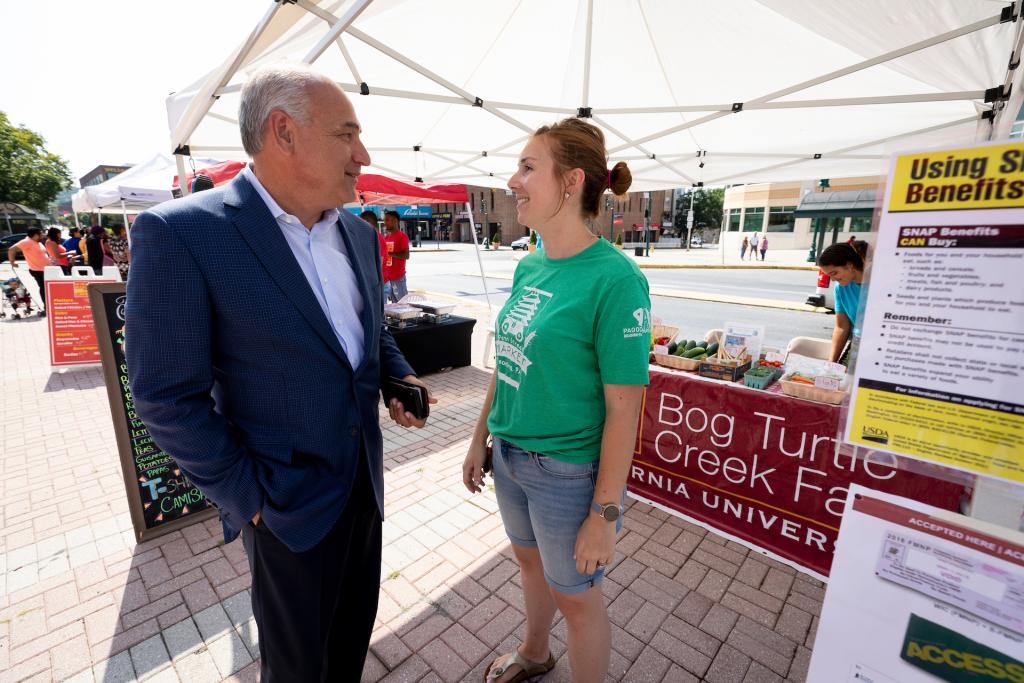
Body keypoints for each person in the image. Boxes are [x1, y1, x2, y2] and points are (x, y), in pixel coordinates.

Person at [125, 63, 433, 682]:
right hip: (284, 505)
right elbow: (165, 395)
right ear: (283, 132)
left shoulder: (359, 233)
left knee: (348, 646)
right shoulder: (183, 234)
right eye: (346, 135)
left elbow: (367, 333)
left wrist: (397, 377)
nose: (362, 155)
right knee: (296, 669)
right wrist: (250, 499)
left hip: (363, 488)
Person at [463, 118, 650, 683]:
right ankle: (535, 653)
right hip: (511, 458)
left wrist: (604, 513)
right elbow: (509, 360)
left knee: (578, 598)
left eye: (527, 167)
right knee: (529, 563)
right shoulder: (529, 264)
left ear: (570, 182)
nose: (512, 180)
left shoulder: (615, 280)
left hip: (566, 472)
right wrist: (480, 437)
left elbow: (625, 410)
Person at [818, 242, 865, 364]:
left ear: (849, 265)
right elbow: (841, 327)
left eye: (834, 273)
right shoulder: (840, 288)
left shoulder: (880, 285)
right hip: (857, 343)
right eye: (829, 276)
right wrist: (831, 363)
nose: (833, 280)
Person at [7, 226, 50, 315]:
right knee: (44, 288)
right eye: (40, 233)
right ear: (35, 235)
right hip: (38, 270)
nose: (42, 235)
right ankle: (46, 307)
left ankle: (49, 306)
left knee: (47, 288)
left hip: (46, 269)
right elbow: (11, 249)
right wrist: (12, 262)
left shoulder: (37, 242)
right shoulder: (26, 242)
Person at [361, 209, 389, 305]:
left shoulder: (376, 238)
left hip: (379, 284)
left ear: (367, 223)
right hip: (378, 284)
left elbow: (379, 265)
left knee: (379, 316)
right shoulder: (372, 237)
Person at [382, 209, 409, 302]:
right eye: (384, 220)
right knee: (394, 306)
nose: (384, 223)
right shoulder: (386, 237)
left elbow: (406, 255)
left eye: (387, 220)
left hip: (398, 277)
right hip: (388, 278)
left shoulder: (402, 236)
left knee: (403, 305)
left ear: (395, 221)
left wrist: (389, 254)